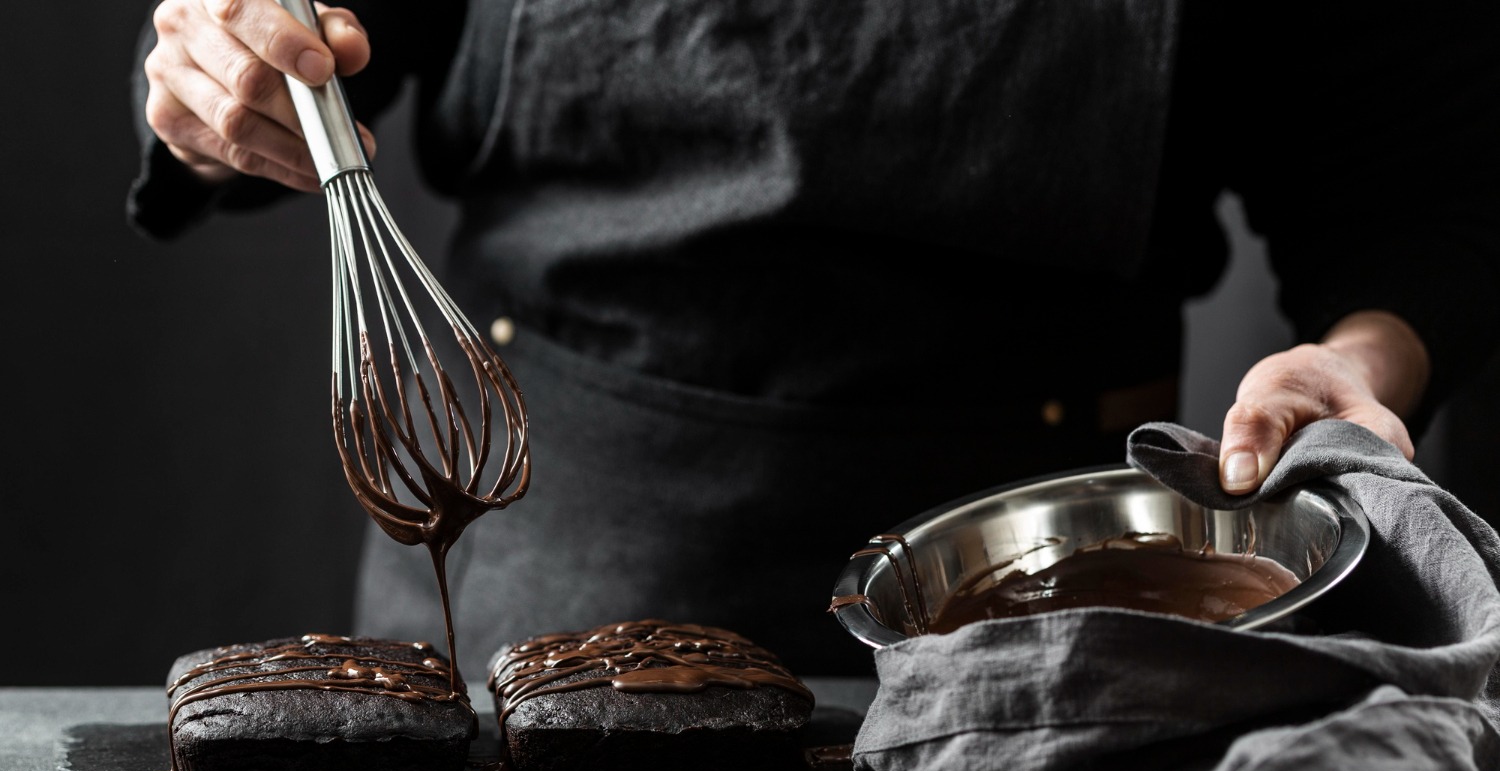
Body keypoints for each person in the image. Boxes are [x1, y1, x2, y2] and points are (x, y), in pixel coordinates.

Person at [130, 0, 1500, 675]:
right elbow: (300, 40)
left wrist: (1363, 363)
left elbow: (1417, 180)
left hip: (1045, 621)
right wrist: (230, 74)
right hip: (546, 578)